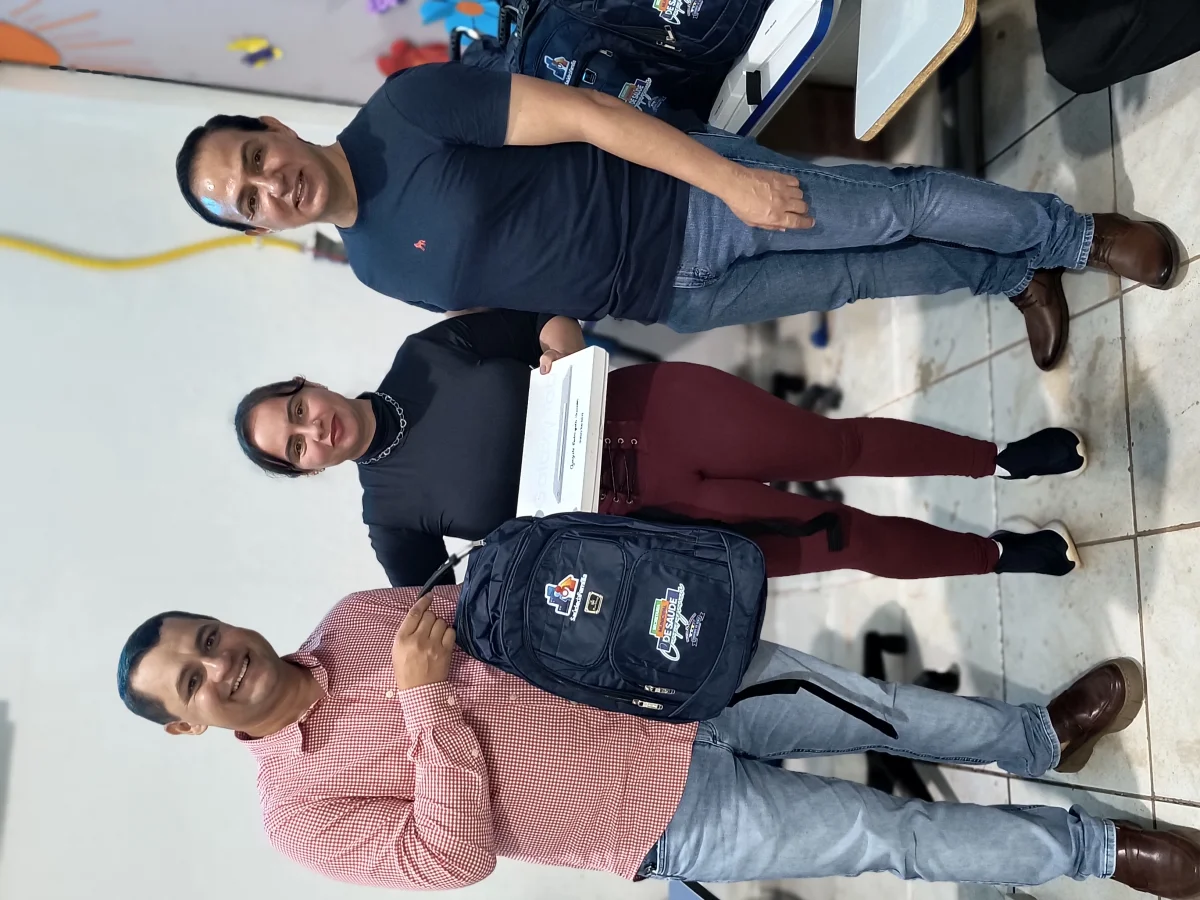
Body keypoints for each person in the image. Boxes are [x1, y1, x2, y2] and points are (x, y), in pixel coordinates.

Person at [115, 587, 1200, 895]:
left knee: (877, 705)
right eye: (192, 682)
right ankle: (1096, 850)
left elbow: (516, 617)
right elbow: (450, 861)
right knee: (891, 836)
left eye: (204, 639)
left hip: (676, 684)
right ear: (185, 725)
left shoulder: (354, 616)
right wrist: (424, 704)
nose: (220, 664)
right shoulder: (294, 814)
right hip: (664, 818)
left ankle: (1037, 736)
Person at [174, 65, 1181, 371]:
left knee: (889, 210)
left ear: (273, 127)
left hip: (688, 200)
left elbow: (589, 114)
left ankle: (1076, 236)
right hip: (670, 298)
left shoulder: (406, 113)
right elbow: (513, 292)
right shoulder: (371, 266)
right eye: (247, 202)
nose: (270, 187)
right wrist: (557, 338)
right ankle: (1009, 273)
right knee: (861, 274)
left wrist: (729, 180)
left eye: (254, 160)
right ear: (258, 229)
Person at [234, 309, 1089, 588]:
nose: (315, 430)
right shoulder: (390, 518)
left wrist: (561, 350)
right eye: (296, 448)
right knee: (838, 540)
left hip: (662, 412)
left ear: (307, 385)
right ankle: (997, 554)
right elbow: (444, 611)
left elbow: (546, 317)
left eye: (297, 411)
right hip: (651, 524)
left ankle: (999, 458)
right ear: (307, 470)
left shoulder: (424, 356)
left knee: (838, 444)